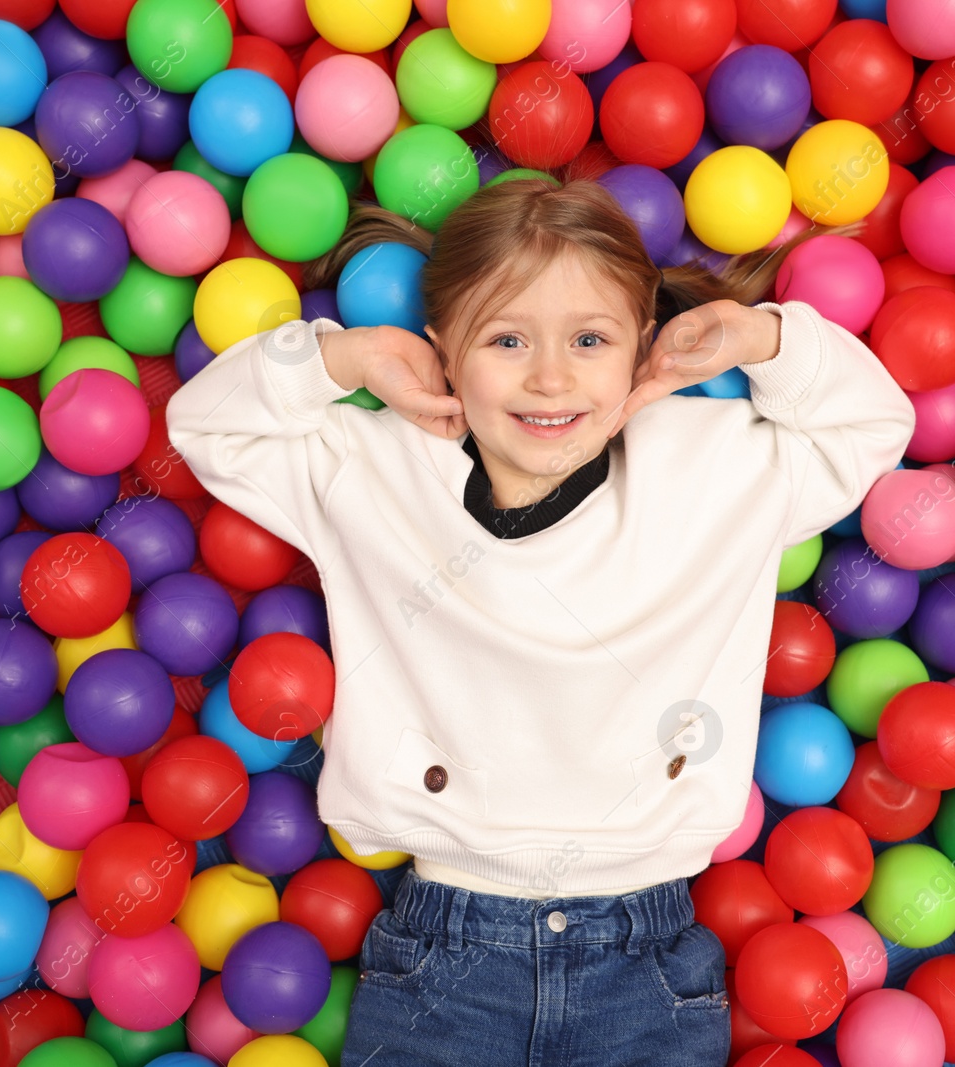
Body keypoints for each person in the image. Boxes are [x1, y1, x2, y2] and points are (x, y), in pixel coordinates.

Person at [166, 177, 916, 1066]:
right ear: (444, 350)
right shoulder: (372, 471)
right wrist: (348, 358)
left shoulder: (712, 471)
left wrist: (760, 338)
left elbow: (872, 423)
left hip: (647, 958)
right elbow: (207, 426)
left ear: (641, 350)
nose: (550, 377)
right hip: (443, 954)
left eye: (589, 340)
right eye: (507, 339)